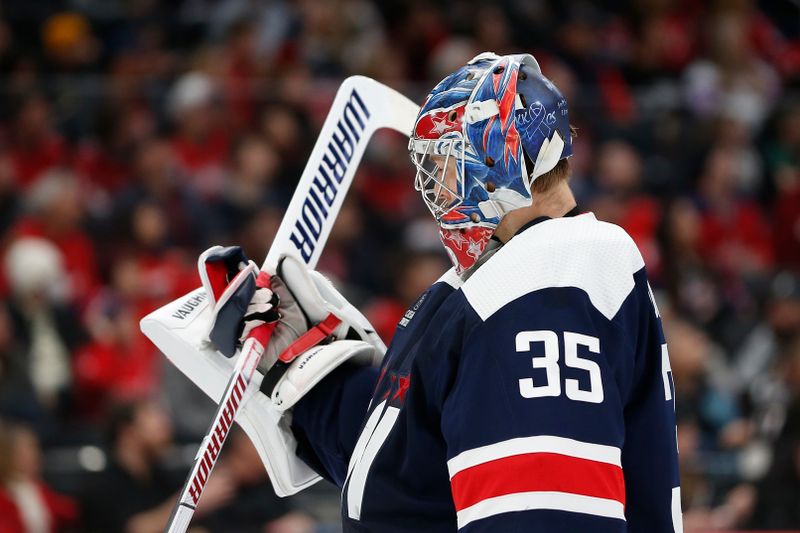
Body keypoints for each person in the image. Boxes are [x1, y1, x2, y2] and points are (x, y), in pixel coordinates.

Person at [200, 52, 682, 532]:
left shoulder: (549, 277)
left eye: (448, 162)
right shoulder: (495, 279)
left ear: (504, 162)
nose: (434, 186)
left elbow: (543, 514)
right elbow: (412, 470)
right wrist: (305, 371)